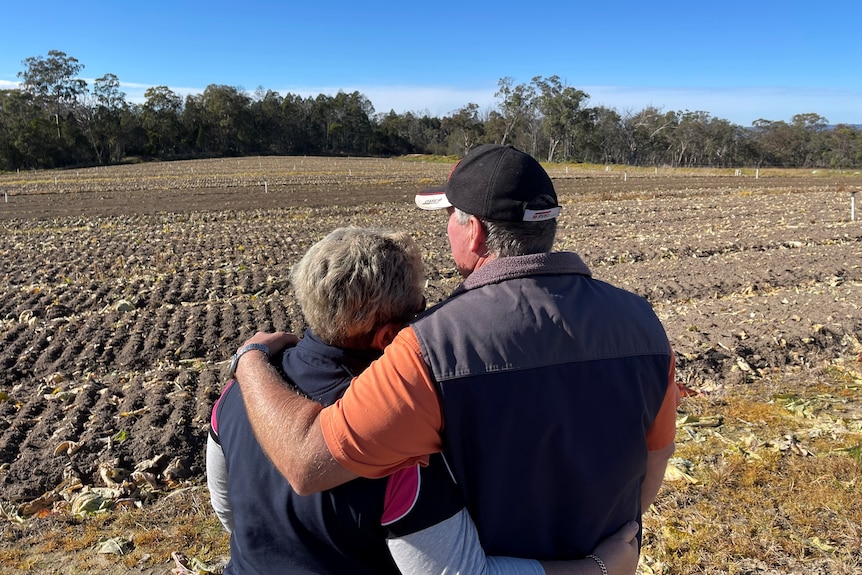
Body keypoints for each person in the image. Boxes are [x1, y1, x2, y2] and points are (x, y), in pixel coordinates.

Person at [232, 144, 679, 563]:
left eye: (450, 215)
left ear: (475, 231)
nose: (445, 227)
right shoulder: (644, 324)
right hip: (611, 557)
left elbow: (307, 464)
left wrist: (249, 358)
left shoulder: (431, 347)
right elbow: (655, 458)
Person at [207, 226, 641, 575]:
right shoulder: (395, 432)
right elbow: (460, 572)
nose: (426, 315)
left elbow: (227, 509)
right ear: (387, 336)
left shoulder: (242, 390)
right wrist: (599, 568)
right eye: (420, 307)